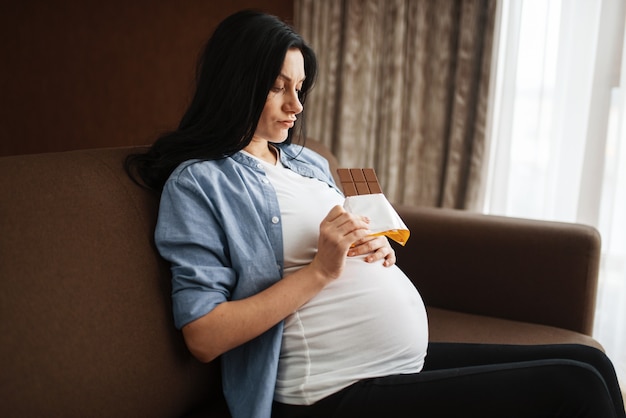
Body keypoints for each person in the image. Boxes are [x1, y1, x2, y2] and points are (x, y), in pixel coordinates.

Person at [126, 9, 626, 418]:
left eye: (301, 87)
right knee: (575, 387)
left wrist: (371, 244)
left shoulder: (308, 162)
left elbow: (338, 239)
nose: (296, 105)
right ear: (235, 85)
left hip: (391, 365)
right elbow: (204, 336)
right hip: (326, 391)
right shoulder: (201, 183)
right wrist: (323, 269)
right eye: (278, 87)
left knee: (589, 362)